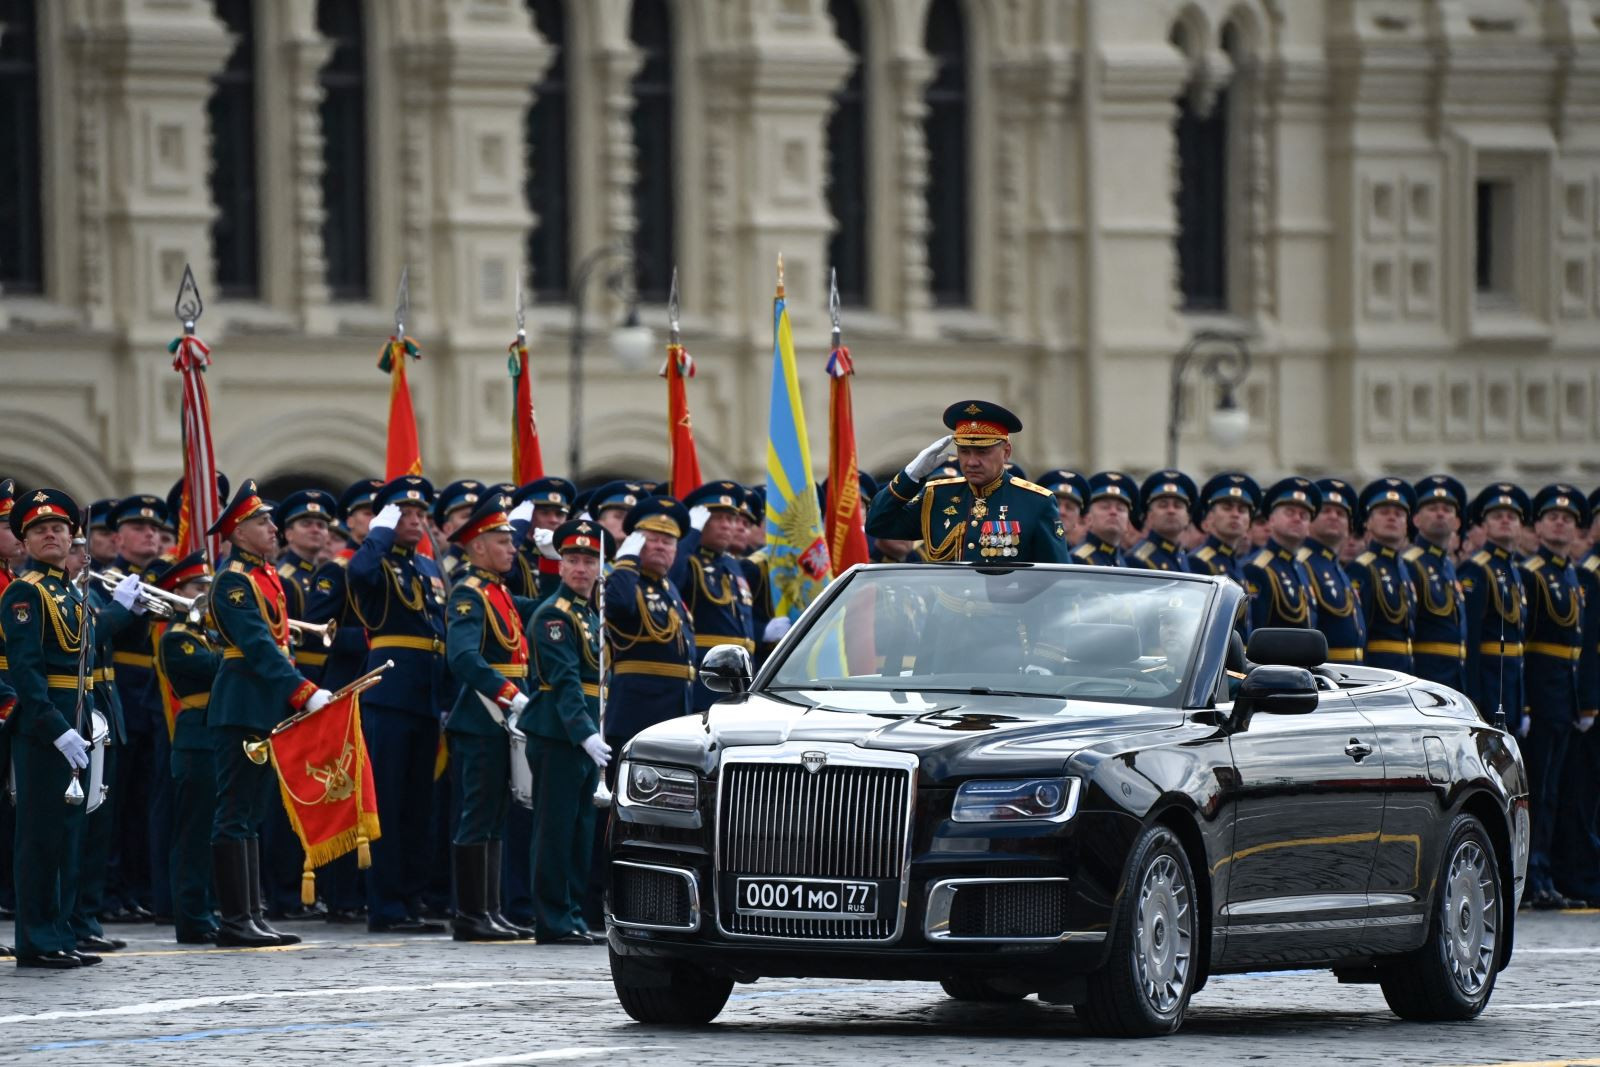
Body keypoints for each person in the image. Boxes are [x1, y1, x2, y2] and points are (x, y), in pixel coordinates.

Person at [207, 480, 331, 947]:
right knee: (234, 810)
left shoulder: (265, 575)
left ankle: (251, 914)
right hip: (242, 704)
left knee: (252, 812)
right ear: (238, 532)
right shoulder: (234, 580)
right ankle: (235, 919)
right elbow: (258, 646)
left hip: (264, 706)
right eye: (262, 521)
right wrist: (303, 691)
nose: (273, 528)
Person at [1, 488, 101, 968]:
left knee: (67, 834)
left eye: (59, 529)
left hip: (75, 718)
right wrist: (54, 725)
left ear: (71, 537)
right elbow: (25, 667)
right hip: (45, 725)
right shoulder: (26, 591)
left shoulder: (71, 591)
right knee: (39, 836)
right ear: (25, 542)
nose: (51, 536)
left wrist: (82, 720)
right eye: (40, 530)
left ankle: (60, 931)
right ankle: (36, 939)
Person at [348, 475, 450, 934]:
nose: (415, 521)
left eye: (419, 514)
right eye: (404, 514)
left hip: (426, 695)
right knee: (386, 801)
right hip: (389, 695)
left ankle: (410, 898)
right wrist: (379, 533)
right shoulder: (377, 560)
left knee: (417, 805)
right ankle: (385, 905)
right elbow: (360, 576)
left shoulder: (428, 568)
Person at [442, 495, 539, 942]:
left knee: (497, 813)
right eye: (502, 541)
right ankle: (470, 914)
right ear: (478, 546)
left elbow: (546, 609)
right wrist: (507, 694)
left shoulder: (498, 591)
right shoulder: (468, 592)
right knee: (477, 814)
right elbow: (461, 657)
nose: (511, 548)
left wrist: (560, 566)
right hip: (483, 717)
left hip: (503, 714)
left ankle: (491, 909)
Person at [523, 518, 611, 944]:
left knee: (580, 830)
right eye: (573, 559)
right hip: (558, 735)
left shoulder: (590, 614)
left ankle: (573, 914)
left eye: (589, 560)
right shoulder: (554, 617)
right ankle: (552, 918)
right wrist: (585, 733)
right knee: (555, 830)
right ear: (560, 566)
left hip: (582, 735)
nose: (581, 568)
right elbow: (565, 681)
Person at [301, 477, 382, 925]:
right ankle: (341, 893)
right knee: (345, 793)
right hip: (346, 686)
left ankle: (374, 890)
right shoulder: (339, 568)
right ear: (350, 522)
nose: (373, 521)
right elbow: (316, 630)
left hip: (380, 689)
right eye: (365, 514)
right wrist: (376, 640)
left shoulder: (393, 566)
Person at [865, 401, 1068, 563]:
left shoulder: (1035, 502)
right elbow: (877, 524)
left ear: (1006, 452)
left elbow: (1055, 577)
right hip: (947, 614)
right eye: (964, 451)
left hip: (1006, 613)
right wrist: (910, 477)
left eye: (982, 451)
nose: (971, 461)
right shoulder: (938, 496)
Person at [101, 494, 170, 924]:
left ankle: (140, 888)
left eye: (155, 529)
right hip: (122, 689)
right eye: (139, 528)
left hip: (157, 694)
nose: (150, 535)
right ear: (118, 536)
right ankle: (110, 891)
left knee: (145, 801)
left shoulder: (166, 578)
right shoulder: (106, 580)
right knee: (116, 797)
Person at [1519, 484, 1588, 910]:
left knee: (1554, 792)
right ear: (1539, 527)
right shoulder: (1532, 573)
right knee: (1537, 790)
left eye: (1567, 519)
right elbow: (1526, 645)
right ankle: (1531, 876)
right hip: (1541, 696)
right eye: (1551, 517)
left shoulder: (1570, 575)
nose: (1560, 522)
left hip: (1564, 695)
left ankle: (1544, 875)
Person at [151, 552, 221, 944]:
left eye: (208, 589)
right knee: (193, 833)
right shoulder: (177, 636)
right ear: (177, 593)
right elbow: (217, 668)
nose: (206, 596)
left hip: (213, 737)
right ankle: (191, 916)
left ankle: (207, 908)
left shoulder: (206, 634)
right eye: (198, 588)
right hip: (196, 739)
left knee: (211, 832)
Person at [604, 496, 695, 751]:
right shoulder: (626, 581)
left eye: (668, 542)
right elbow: (618, 606)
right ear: (636, 543)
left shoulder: (668, 587)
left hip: (675, 708)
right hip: (638, 712)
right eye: (652, 539)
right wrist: (626, 562)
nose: (661, 547)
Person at [674, 481, 757, 713]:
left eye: (731, 519)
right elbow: (671, 579)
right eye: (717, 518)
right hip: (708, 672)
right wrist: (690, 536)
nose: (726, 526)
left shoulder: (731, 564)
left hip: (743, 671)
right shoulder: (690, 560)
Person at [1460, 483, 1529, 724]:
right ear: (1485, 525)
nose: (1505, 521)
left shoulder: (1514, 570)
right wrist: (1473, 696)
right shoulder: (1477, 568)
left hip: (1511, 687)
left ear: (1520, 526)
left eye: (1512, 517)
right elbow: (1472, 637)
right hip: (1489, 685)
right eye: (1497, 516)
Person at [1347, 478, 1417, 673]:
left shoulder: (1403, 567)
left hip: (1406, 670)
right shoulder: (1362, 568)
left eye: (1399, 514)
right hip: (1378, 670)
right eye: (1384, 513)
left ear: (1406, 525)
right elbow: (1361, 631)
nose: (1392, 518)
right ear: (1368, 523)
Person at [1406, 476, 1469, 691]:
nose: (1441, 513)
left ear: (1457, 522)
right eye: (1432, 508)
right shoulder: (1410, 563)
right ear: (1416, 520)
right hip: (1426, 678)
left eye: (1447, 509)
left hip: (1454, 678)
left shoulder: (1448, 566)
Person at [1298, 478, 1366, 662]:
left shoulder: (1335, 565)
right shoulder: (1303, 562)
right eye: (1326, 511)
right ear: (1310, 520)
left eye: (1341, 513)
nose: (1334, 516)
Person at [1242, 478, 1320, 632]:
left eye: (1304, 516)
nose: (1297, 518)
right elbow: (1255, 632)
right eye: (1289, 512)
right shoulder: (1258, 568)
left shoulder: (1301, 567)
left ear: (1309, 527)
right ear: (1271, 520)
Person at [1185, 473, 1259, 595]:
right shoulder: (1199, 562)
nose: (1235, 515)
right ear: (1210, 518)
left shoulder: (1236, 562)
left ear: (1249, 523)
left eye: (1242, 510)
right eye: (1227, 508)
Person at [507, 476, 575, 599]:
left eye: (560, 514)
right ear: (528, 515)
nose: (554, 520)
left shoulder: (572, 555)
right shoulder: (517, 556)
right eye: (544, 513)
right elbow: (504, 573)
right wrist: (516, 529)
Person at [1128, 470, 1196, 571]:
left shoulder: (1181, 555)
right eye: (1163, 506)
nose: (1171, 510)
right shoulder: (1137, 560)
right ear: (1150, 516)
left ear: (1188, 518)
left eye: (1178, 506)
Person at [1073, 472, 1138, 567]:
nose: (1114, 512)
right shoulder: (1078, 560)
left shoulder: (1120, 560)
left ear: (1128, 522)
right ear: (1089, 517)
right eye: (1105, 507)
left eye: (1120, 509)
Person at [434, 479, 487, 582]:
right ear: (448, 528)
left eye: (478, 515)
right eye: (466, 516)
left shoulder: (492, 563)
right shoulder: (444, 572)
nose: (474, 520)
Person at [1035, 470, 1089, 548]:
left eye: (1069, 507)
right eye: (1055, 505)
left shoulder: (1081, 558)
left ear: (1078, 518)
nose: (1061, 512)